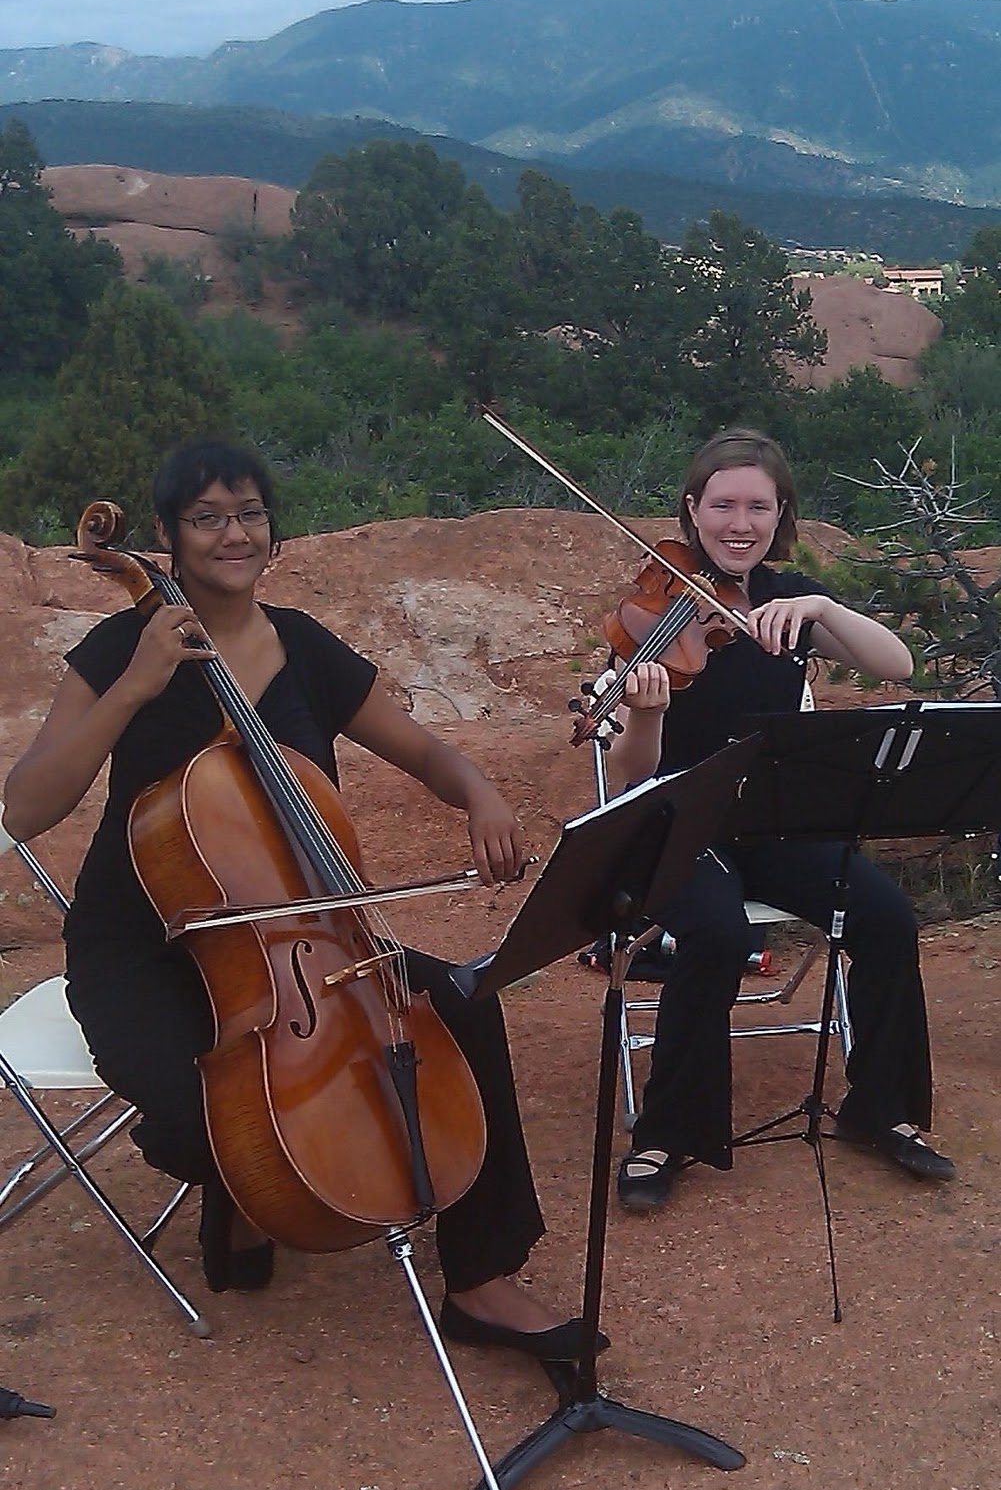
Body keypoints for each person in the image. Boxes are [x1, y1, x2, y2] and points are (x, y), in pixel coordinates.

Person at [3, 437, 604, 1362]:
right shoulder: (123, 646)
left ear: (272, 532)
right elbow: (29, 807)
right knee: (209, 1118)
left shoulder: (305, 650)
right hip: (141, 949)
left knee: (462, 1012)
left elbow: (428, 754)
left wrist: (480, 794)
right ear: (167, 536)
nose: (232, 534)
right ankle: (239, 1201)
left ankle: (481, 1280)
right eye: (207, 518)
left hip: (298, 936)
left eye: (248, 514)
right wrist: (134, 688)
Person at [605, 427, 955, 1210]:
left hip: (771, 822)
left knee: (885, 914)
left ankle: (879, 1111)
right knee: (719, 934)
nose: (739, 523)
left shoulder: (788, 602)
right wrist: (645, 714)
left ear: (778, 514)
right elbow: (627, 774)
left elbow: (896, 665)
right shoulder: (651, 611)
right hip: (674, 824)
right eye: (722, 504)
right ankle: (666, 1134)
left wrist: (820, 604)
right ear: (692, 510)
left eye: (756, 507)